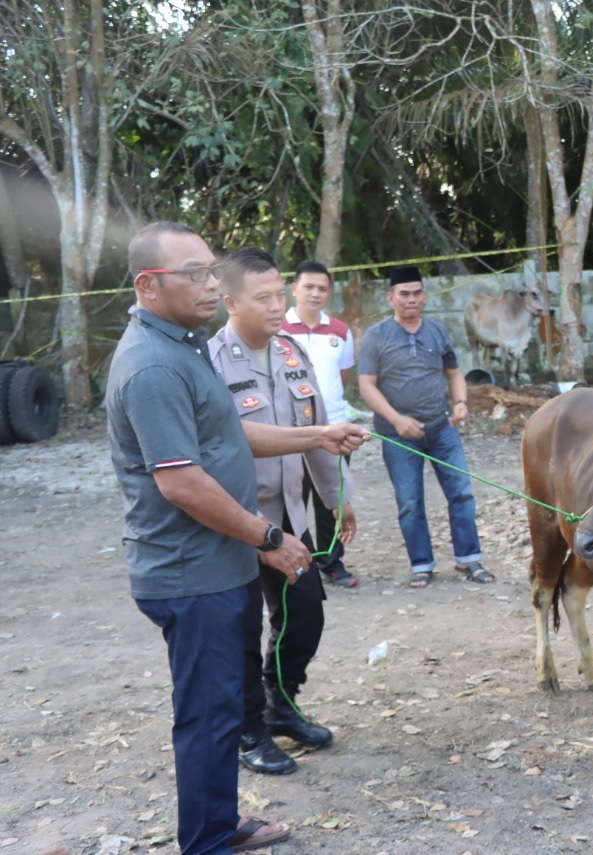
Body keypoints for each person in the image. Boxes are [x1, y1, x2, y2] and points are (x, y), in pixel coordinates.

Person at [107, 222, 368, 854]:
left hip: (217, 563)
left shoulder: (185, 346)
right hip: (190, 571)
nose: (208, 283)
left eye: (208, 269)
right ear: (148, 285)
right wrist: (269, 536)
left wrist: (317, 436)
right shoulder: (152, 368)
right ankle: (207, 842)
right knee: (208, 716)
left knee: (222, 708)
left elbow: (228, 436)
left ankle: (217, 824)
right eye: (193, 274)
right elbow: (184, 484)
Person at [210, 248, 357, 776]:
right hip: (236, 522)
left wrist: (337, 501)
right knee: (242, 628)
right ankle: (249, 731)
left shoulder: (292, 353)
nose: (278, 307)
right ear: (230, 302)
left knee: (306, 613)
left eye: (280, 294)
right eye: (263, 297)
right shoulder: (210, 363)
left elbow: (319, 434)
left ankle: (281, 705)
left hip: (290, 515)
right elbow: (230, 442)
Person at [357, 265, 492, 587]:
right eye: (404, 294)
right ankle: (421, 564)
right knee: (410, 502)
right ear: (391, 298)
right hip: (398, 435)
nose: (411, 299)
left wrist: (460, 403)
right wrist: (396, 419)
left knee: (461, 493)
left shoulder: (437, 330)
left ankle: (468, 560)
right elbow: (367, 386)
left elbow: (454, 373)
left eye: (417, 293)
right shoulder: (376, 336)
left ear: (424, 296)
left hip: (442, 428)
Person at [280, 259, 359, 588]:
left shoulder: (340, 332)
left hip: (334, 430)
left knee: (333, 498)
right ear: (294, 288)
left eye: (322, 288)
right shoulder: (277, 329)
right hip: (289, 432)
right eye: (308, 286)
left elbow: (342, 376)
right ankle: (299, 561)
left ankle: (332, 561)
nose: (315, 293)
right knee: (292, 498)